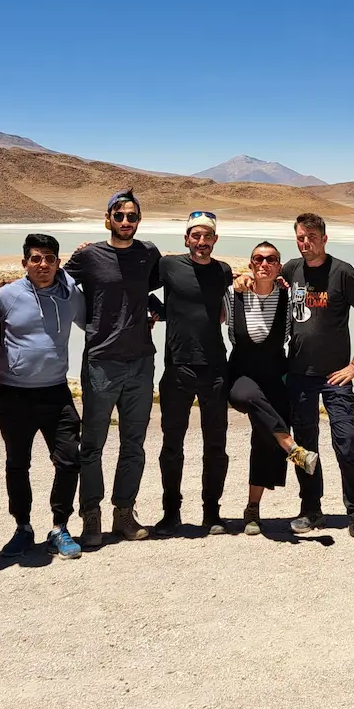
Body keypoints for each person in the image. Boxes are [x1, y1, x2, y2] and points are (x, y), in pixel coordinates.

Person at [64, 189, 162, 547]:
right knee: (92, 444)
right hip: (101, 362)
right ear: (108, 219)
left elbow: (144, 290)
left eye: (131, 217)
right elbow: (52, 284)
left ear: (139, 220)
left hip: (140, 360)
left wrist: (157, 309)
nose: (125, 222)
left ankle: (124, 512)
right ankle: (91, 515)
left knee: (133, 443)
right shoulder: (89, 256)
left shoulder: (147, 253)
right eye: (119, 216)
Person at [282, 213, 354, 543]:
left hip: (334, 378)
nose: (305, 242)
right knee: (303, 448)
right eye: (300, 237)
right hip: (298, 375)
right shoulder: (290, 270)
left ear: (324, 238)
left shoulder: (342, 272)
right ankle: (310, 509)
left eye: (311, 236)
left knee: (346, 443)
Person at [0, 233, 86, 560]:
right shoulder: (6, 295)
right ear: (24, 264)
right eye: (36, 259)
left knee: (69, 459)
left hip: (56, 392)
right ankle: (23, 528)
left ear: (58, 263)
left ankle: (59, 528)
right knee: (17, 464)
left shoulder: (70, 295)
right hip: (13, 394)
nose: (43, 264)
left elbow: (94, 323)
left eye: (49, 258)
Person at [224, 240, 319, 535]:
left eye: (271, 259)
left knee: (265, 441)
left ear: (279, 266)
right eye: (258, 259)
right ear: (250, 263)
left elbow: (307, 321)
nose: (264, 264)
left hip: (277, 373)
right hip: (241, 372)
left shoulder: (288, 297)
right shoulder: (231, 294)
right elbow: (206, 317)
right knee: (247, 397)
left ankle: (252, 509)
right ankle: (291, 446)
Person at [149, 211, 234, 536]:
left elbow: (235, 296)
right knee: (172, 444)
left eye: (207, 236)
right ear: (186, 239)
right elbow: (133, 283)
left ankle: (212, 513)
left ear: (214, 240)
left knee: (216, 445)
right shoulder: (168, 265)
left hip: (214, 369)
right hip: (177, 368)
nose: (201, 242)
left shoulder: (222, 271)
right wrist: (157, 311)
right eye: (195, 236)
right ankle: (171, 513)